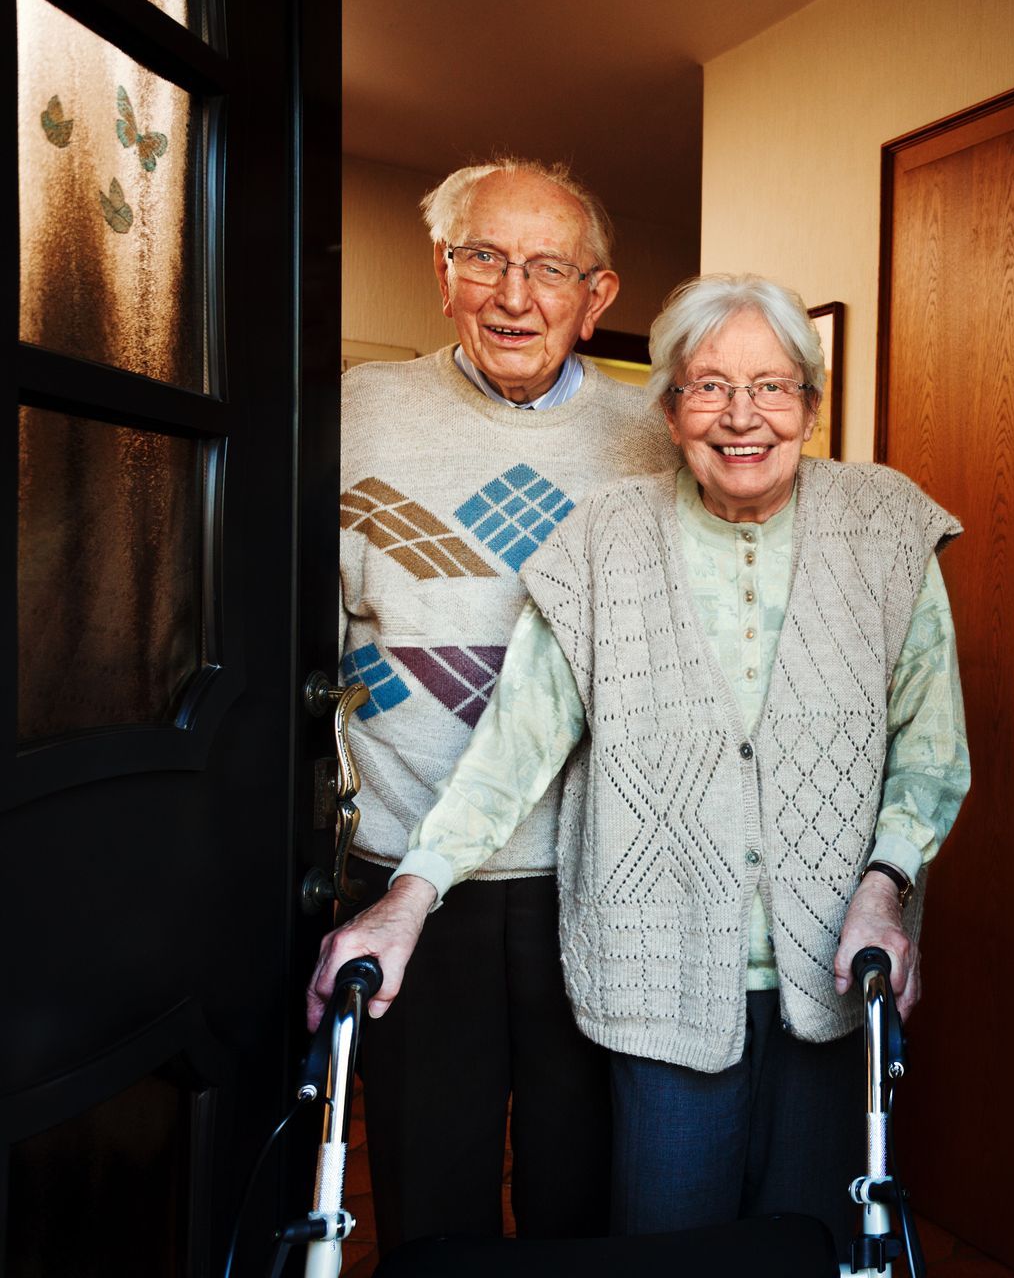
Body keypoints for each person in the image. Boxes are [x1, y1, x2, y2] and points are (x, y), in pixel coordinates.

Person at [309, 272, 969, 1249]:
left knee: (818, 1245)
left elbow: (932, 745)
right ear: (667, 408)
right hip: (658, 982)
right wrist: (407, 897)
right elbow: (515, 744)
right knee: (668, 1243)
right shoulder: (600, 542)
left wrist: (887, 882)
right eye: (707, 385)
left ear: (812, 403)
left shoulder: (888, 526)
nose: (741, 416)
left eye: (773, 386)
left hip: (837, 974)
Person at [312, 157, 677, 1249]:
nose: (513, 296)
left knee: (584, 1189)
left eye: (547, 268)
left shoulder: (655, 438)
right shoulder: (349, 410)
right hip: (411, 868)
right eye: (484, 258)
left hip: (595, 869)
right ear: (442, 272)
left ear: (597, 295)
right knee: (431, 1191)